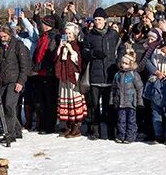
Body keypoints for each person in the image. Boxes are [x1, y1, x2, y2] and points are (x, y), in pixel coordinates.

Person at [82, 8, 121, 140]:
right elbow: (84, 53)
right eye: (95, 20)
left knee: (109, 106)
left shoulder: (113, 34)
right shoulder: (90, 35)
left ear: (105, 20)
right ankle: (95, 131)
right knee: (94, 105)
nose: (97, 22)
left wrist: (119, 60)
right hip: (95, 75)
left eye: (99, 20)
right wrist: (93, 54)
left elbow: (121, 47)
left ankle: (111, 132)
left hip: (110, 75)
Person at [0, 24, 30, 146]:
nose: (2, 38)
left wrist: (21, 81)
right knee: (4, 107)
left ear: (9, 35)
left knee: (9, 105)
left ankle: (9, 133)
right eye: (0, 36)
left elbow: (25, 65)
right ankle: (17, 129)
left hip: (14, 80)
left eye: (4, 36)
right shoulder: (0, 46)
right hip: (3, 79)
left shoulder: (18, 45)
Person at [54, 22, 87, 138]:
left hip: (73, 76)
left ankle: (76, 126)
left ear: (74, 34)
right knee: (66, 100)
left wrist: (71, 50)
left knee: (73, 100)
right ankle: (68, 125)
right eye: (66, 33)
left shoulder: (77, 45)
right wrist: (60, 47)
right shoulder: (63, 44)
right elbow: (57, 59)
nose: (67, 35)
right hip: (64, 77)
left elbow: (79, 61)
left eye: (69, 33)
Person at [113, 47, 143, 143]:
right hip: (120, 102)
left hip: (131, 102)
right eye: (122, 63)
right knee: (121, 120)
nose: (123, 65)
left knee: (131, 120)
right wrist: (112, 100)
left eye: (126, 64)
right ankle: (121, 135)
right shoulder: (118, 75)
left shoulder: (133, 75)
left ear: (131, 64)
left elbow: (139, 88)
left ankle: (130, 136)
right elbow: (113, 89)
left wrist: (139, 101)